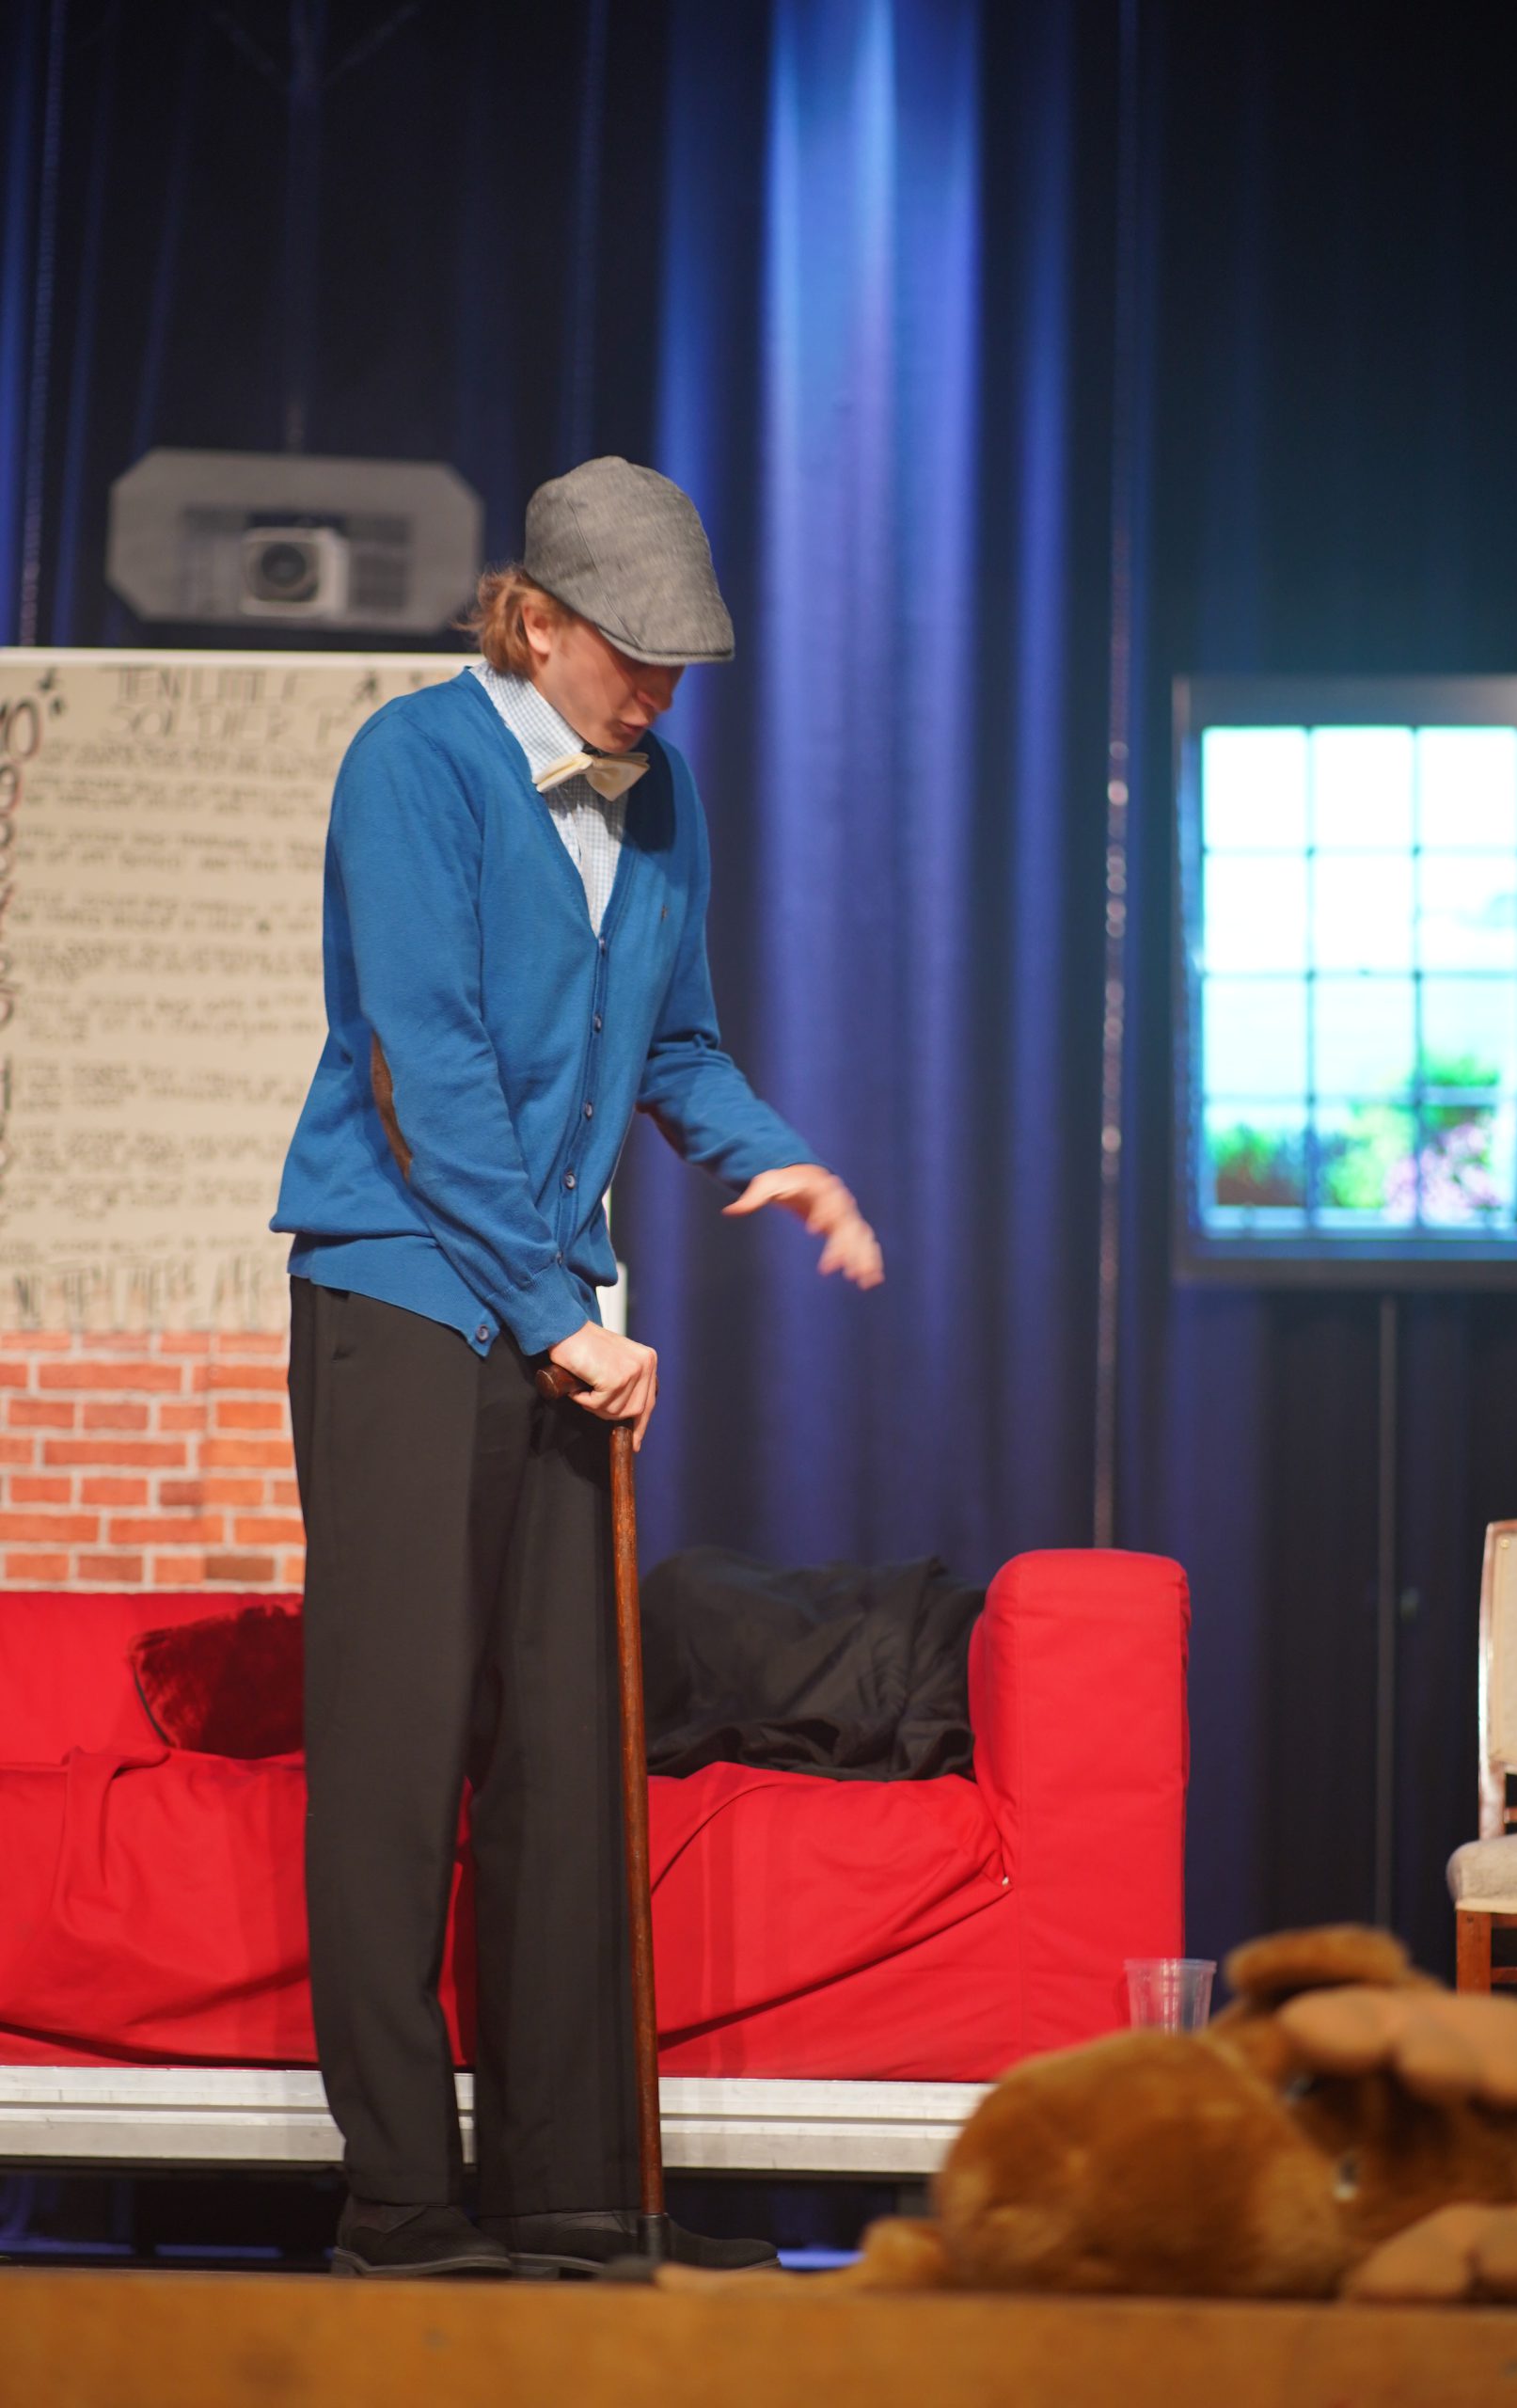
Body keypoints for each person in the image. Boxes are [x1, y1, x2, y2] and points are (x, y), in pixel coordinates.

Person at [273, 457, 883, 2279]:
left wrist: (772, 1155)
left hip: (557, 1316)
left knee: (564, 1754)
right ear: (533, 623)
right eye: (632, 654)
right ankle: (399, 2203)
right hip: (407, 1299)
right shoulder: (415, 763)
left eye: (682, 665)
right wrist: (561, 1316)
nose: (660, 692)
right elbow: (430, 1066)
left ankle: (571, 2196)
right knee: (396, 1757)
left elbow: (673, 1042)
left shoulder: (660, 792)